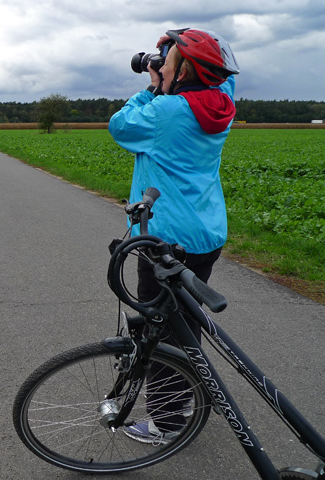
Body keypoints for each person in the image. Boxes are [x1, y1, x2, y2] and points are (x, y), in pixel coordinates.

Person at [108, 28, 240, 444]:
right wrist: (175, 57)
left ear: (183, 70)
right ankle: (189, 394)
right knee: (185, 321)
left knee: (161, 330)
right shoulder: (223, 102)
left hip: (166, 238)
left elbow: (119, 126)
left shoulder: (166, 112)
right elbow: (223, 74)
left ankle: (167, 423)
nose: (157, 67)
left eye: (165, 62)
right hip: (206, 234)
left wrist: (151, 88)